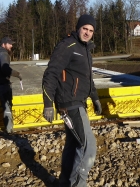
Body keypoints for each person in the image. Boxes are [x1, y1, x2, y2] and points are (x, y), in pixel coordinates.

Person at [42, 14, 102, 187]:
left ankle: (64, 182)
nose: (87, 32)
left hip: (78, 102)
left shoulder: (85, 49)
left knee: (73, 144)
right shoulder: (68, 45)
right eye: (85, 28)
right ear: (78, 28)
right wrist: (47, 104)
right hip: (70, 104)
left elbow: (87, 79)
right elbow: (51, 74)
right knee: (87, 147)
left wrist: (95, 98)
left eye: (91, 30)